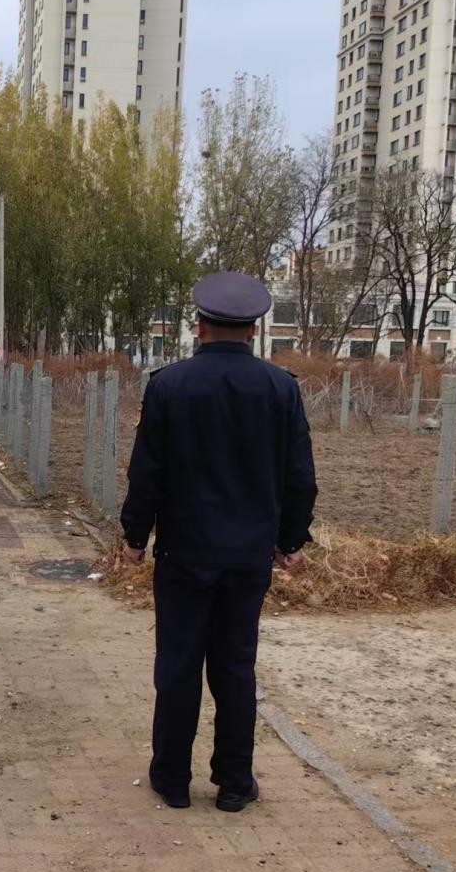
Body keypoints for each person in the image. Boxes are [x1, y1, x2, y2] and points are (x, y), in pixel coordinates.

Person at [120, 271, 318, 813]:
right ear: (253, 331)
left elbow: (147, 472)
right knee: (235, 667)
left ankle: (172, 780)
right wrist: (290, 540)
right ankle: (234, 783)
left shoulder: (169, 385)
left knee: (178, 666)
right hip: (248, 556)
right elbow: (299, 475)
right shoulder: (281, 389)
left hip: (183, 553)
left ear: (199, 325)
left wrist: (135, 535)